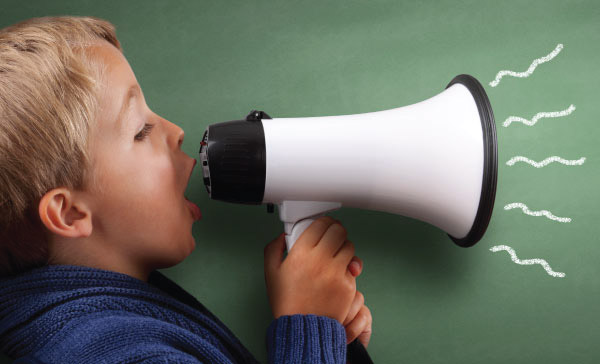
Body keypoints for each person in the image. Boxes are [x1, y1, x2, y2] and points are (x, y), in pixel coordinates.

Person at [0, 16, 372, 363]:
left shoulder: (99, 324)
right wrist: (307, 327)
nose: (177, 130)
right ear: (70, 213)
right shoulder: (121, 355)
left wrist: (331, 338)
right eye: (140, 131)